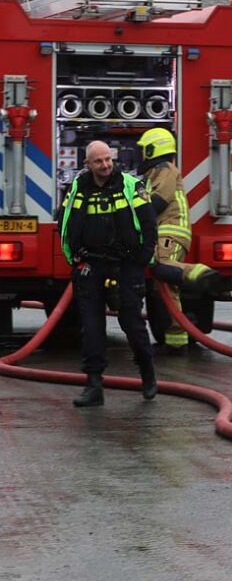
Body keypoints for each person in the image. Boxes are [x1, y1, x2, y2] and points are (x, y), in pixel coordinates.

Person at [59, 140, 158, 408]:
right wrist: (75, 260)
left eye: (108, 160)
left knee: (132, 324)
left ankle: (148, 374)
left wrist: (141, 260)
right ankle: (93, 386)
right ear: (87, 164)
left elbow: (149, 224)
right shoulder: (78, 188)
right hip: (91, 266)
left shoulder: (130, 185)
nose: (105, 165)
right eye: (98, 161)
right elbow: (64, 222)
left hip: (126, 265)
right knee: (91, 328)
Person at [136, 127, 225, 353]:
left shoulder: (164, 169)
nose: (140, 155)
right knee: (165, 286)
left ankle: (202, 275)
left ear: (152, 149)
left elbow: (158, 202)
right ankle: (175, 342)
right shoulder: (152, 175)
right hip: (164, 231)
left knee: (162, 266)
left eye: (143, 150)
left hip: (171, 230)